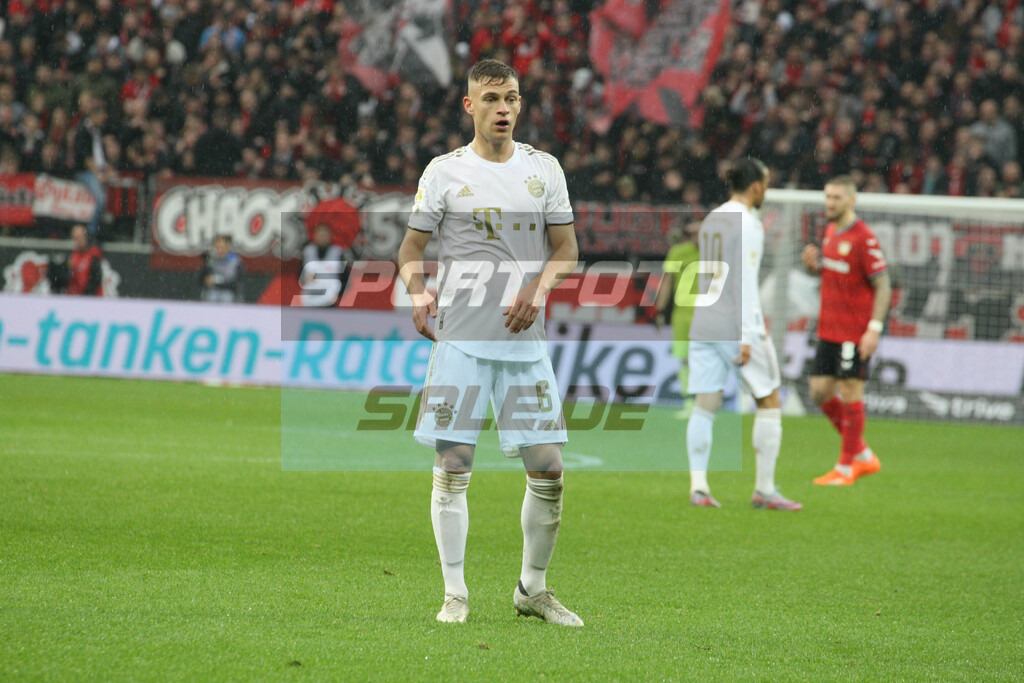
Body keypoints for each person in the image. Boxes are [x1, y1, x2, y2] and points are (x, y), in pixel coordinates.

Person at [398, 59, 582, 626]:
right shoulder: (445, 172)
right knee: (454, 462)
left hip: (525, 346)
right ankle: (455, 592)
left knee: (549, 469)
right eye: (493, 98)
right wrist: (418, 294)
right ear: (470, 106)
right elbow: (410, 253)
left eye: (513, 98)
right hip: (462, 341)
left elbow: (567, 251)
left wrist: (539, 287)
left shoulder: (544, 169)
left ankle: (533, 589)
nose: (504, 108)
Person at [685, 158, 802, 511]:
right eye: (766, 183)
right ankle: (764, 490)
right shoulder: (750, 223)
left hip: (703, 320)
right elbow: (744, 282)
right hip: (735, 325)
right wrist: (748, 334)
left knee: (706, 403)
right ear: (755, 186)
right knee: (769, 399)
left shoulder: (712, 218)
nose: (766, 189)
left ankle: (699, 487)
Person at [801, 176, 891, 486]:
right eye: (827, 197)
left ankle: (845, 467)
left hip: (854, 332)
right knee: (819, 391)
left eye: (836, 198)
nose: (829, 203)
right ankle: (864, 455)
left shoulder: (863, 237)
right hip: (828, 330)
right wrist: (814, 267)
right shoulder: (829, 231)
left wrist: (874, 330)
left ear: (851, 200)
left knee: (851, 392)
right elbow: (838, 275)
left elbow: (883, 285)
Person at [654, 220, 701, 418]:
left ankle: (705, 402)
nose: (698, 236)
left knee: (706, 359)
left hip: (709, 316)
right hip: (682, 316)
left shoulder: (719, 253)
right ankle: (689, 402)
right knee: (685, 359)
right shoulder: (678, 252)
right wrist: (659, 310)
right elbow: (667, 281)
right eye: (694, 232)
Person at [299, 223, 349, 307]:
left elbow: (345, 277)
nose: (322, 237)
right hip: (310, 299)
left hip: (329, 299)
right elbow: (300, 274)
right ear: (315, 235)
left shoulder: (337, 253)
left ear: (329, 236)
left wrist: (338, 294)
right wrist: (305, 278)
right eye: (320, 234)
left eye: (324, 235)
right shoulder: (308, 252)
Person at [61, 224, 105, 296]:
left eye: (80, 237)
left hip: (91, 297)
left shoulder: (93, 254)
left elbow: (96, 277)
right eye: (76, 238)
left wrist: (87, 293)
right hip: (75, 296)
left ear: (86, 237)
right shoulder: (72, 256)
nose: (79, 241)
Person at [200, 234, 243, 302]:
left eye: (222, 247)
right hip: (212, 291)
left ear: (227, 247)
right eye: (217, 247)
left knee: (226, 297)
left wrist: (220, 284)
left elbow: (238, 282)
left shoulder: (235, 261)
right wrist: (207, 280)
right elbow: (202, 277)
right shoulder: (211, 260)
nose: (219, 250)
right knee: (211, 296)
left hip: (228, 291)